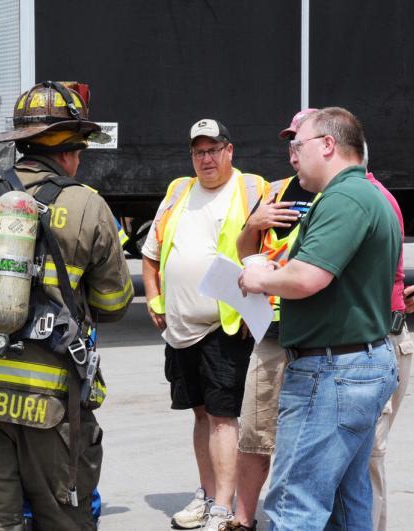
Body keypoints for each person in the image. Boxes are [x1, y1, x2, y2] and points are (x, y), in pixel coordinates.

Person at [0, 80, 133, 530]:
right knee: (63, 517)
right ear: (69, 150)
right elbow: (115, 301)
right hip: (48, 399)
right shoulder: (87, 205)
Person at [239, 107, 400, 530]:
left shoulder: (344, 198)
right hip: (355, 365)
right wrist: (281, 275)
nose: (292, 156)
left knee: (294, 505)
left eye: (298, 145)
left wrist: (260, 278)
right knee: (347, 505)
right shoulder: (368, 195)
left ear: (328, 145)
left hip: (332, 372)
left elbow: (309, 277)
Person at [141, 119, 265, 530]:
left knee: (223, 418)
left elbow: (271, 255)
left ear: (230, 151)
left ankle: (224, 508)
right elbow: (151, 252)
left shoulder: (252, 189)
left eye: (214, 149)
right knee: (200, 416)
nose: (206, 159)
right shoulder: (179, 191)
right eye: (199, 152)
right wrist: (155, 297)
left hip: (224, 328)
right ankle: (207, 494)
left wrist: (256, 309)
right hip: (180, 328)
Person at [226, 109, 319, 531]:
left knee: (308, 439)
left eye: (299, 140)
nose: (293, 150)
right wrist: (255, 222)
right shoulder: (276, 189)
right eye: (290, 141)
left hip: (315, 330)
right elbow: (245, 249)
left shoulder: (334, 192)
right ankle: (243, 520)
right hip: (271, 329)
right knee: (255, 434)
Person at [363, 145, 414, 531]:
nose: (293, 154)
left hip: (381, 342)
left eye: (301, 144)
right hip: (385, 335)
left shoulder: (368, 200)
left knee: (367, 456)